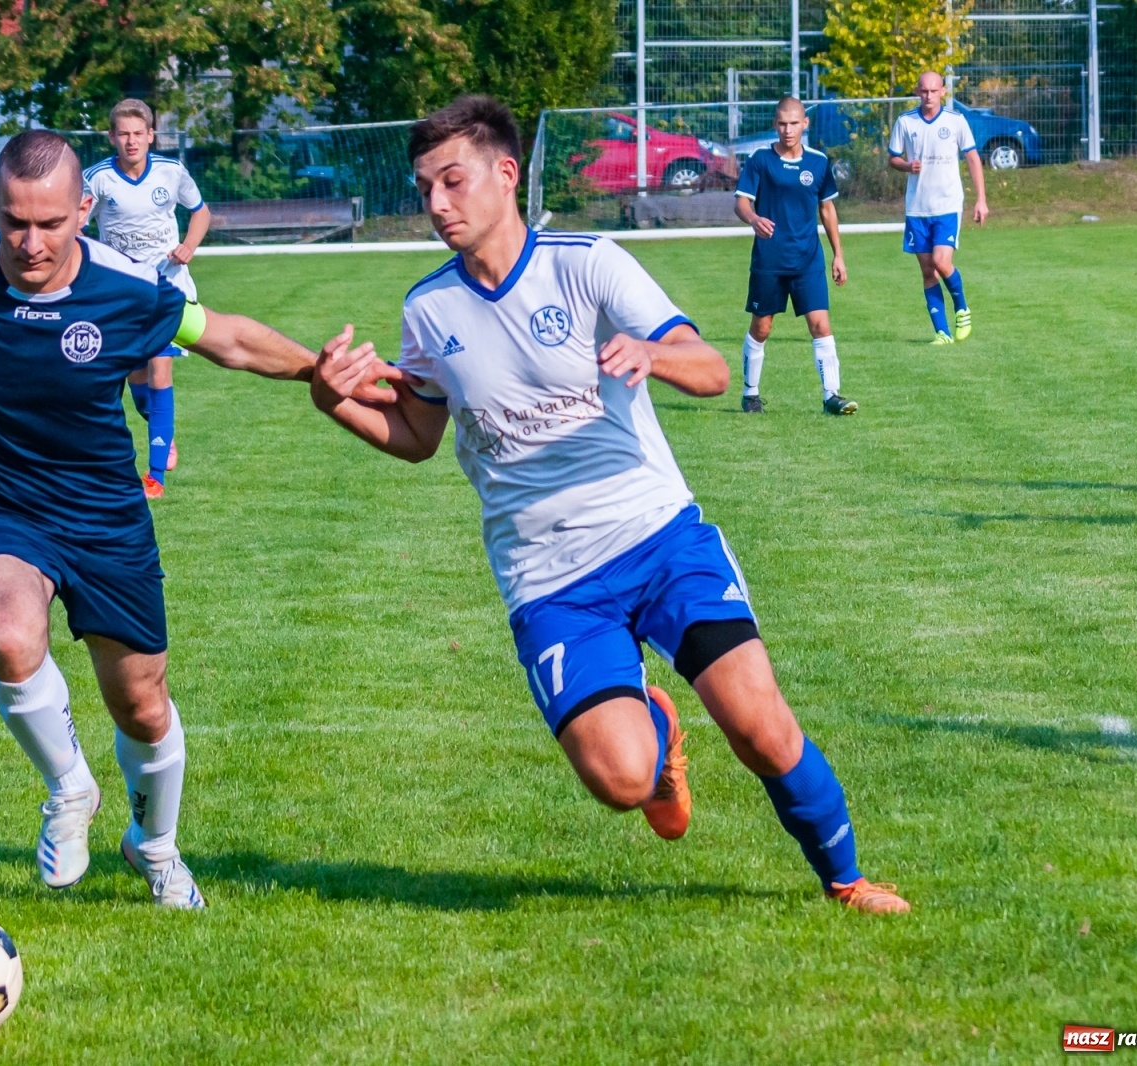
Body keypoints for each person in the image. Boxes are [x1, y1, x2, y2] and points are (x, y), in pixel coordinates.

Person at [310, 95, 908, 914]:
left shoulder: (586, 260)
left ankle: (847, 882)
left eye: (452, 182)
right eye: (425, 189)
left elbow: (711, 370)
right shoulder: (429, 308)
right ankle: (659, 742)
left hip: (658, 538)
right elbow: (416, 434)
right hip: (549, 581)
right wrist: (333, 400)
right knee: (621, 781)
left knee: (759, 726)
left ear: (506, 174)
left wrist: (653, 353)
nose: (436, 205)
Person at [0, 130, 370, 907]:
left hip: (103, 514)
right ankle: (69, 791)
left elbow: (223, 335)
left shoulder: (127, 286)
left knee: (141, 703)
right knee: (6, 631)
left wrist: (314, 369)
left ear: (83, 210)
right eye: (14, 222)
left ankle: (154, 848)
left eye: (51, 223)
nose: (31, 242)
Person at [83, 98, 213, 498]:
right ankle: (161, 428)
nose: (131, 141)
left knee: (160, 371)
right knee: (134, 374)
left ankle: (155, 475)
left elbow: (201, 212)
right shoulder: (97, 179)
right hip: (121, 292)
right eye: (123, 133)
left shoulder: (172, 172)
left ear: (151, 135)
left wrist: (189, 245)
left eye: (139, 133)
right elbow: (73, 221)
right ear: (112, 137)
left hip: (168, 287)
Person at [733, 98, 856, 416]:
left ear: (805, 124)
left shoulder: (818, 163)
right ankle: (751, 394)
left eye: (794, 123)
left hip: (807, 260)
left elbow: (827, 209)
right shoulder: (760, 160)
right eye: (782, 123)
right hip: (770, 260)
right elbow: (742, 202)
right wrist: (754, 219)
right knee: (762, 328)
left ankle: (832, 397)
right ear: (776, 124)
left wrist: (838, 255)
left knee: (821, 325)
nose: (788, 129)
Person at [888, 71, 990, 344]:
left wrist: (981, 199)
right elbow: (893, 158)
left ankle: (962, 308)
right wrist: (907, 165)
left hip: (947, 205)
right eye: (923, 91)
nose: (928, 96)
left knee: (941, 262)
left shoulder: (955, 121)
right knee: (927, 271)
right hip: (917, 208)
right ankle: (942, 333)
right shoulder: (905, 122)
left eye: (933, 91)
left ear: (943, 91)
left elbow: (972, 158)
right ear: (917, 91)